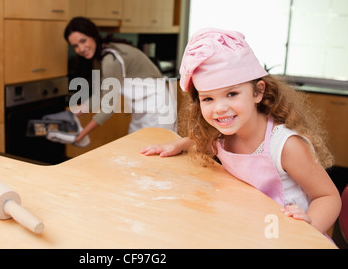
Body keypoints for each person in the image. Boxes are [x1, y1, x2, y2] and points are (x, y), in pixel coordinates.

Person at [140, 28, 341, 235]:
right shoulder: (221, 136)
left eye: (232, 94)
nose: (219, 108)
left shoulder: (286, 146)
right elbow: (202, 140)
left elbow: (327, 197)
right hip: (252, 228)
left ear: (258, 92)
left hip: (290, 237)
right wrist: (179, 144)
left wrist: (309, 229)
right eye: (208, 98)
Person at [64, 17, 176, 143]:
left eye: (83, 41)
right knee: (135, 149)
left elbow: (108, 108)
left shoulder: (110, 60)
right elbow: (99, 97)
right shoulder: (99, 56)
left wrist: (80, 135)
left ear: (93, 35)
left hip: (157, 109)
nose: (81, 48)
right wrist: (70, 115)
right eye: (75, 46)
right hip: (141, 109)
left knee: (153, 150)